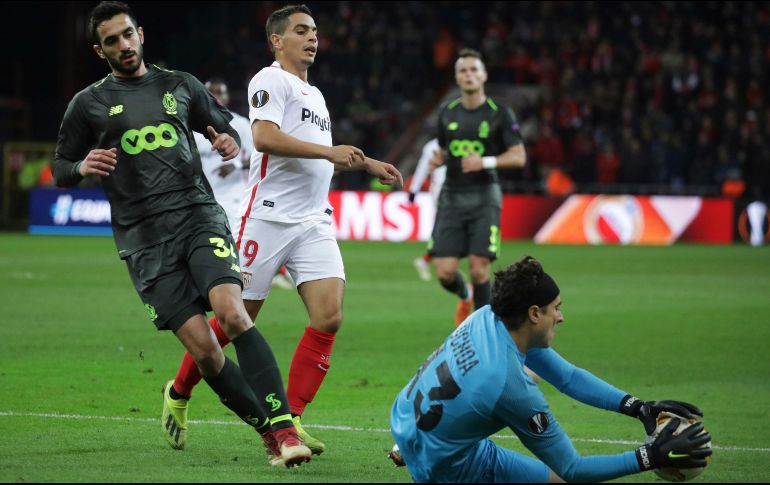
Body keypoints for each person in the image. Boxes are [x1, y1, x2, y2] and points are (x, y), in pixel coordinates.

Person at [52, 1, 311, 468]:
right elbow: (59, 168)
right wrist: (80, 165)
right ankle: (268, 431)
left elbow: (223, 128)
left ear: (141, 34)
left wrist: (226, 140)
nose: (123, 45)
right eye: (112, 40)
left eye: (128, 34)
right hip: (144, 242)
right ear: (100, 49)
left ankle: (286, 430)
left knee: (233, 314)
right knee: (208, 355)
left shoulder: (179, 84)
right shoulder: (87, 103)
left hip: (197, 217)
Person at [164, 3, 403, 458]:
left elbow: (321, 151)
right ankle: (178, 392)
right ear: (277, 40)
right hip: (268, 217)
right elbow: (266, 138)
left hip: (313, 219)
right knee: (234, 322)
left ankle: (288, 422)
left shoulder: (316, 95)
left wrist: (367, 162)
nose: (312, 38)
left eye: (314, 31)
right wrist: (330, 153)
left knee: (329, 316)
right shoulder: (269, 79)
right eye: (300, 31)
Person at [390, 256, 712, 483]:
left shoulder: (489, 317)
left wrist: (637, 407)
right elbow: (574, 468)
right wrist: (648, 457)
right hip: (448, 467)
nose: (560, 317)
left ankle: (415, 446)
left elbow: (568, 377)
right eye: (556, 308)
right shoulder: (510, 387)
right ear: (533, 313)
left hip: (410, 424)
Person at [428, 48, 527, 326]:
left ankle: (482, 331)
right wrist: (439, 158)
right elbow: (445, 150)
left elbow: (519, 155)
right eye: (463, 71)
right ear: (457, 78)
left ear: (483, 76)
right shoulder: (447, 113)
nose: (469, 75)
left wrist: (484, 161)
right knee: (446, 272)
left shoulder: (499, 114)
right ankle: (464, 294)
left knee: (479, 268)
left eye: (474, 70)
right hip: (452, 195)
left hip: (484, 196)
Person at [194, 78, 294, 289]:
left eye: (219, 93)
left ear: (227, 97)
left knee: (238, 235)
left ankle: (265, 273)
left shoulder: (240, 125)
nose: (216, 98)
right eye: (211, 93)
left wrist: (237, 165)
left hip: (234, 194)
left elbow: (263, 153)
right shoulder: (192, 128)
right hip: (203, 195)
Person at [407, 138, 445, 282]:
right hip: (444, 191)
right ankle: (427, 259)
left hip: (456, 191)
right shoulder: (434, 146)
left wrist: (413, 190)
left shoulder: (433, 145)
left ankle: (436, 260)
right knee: (446, 227)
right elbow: (423, 168)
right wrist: (413, 189)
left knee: (445, 227)